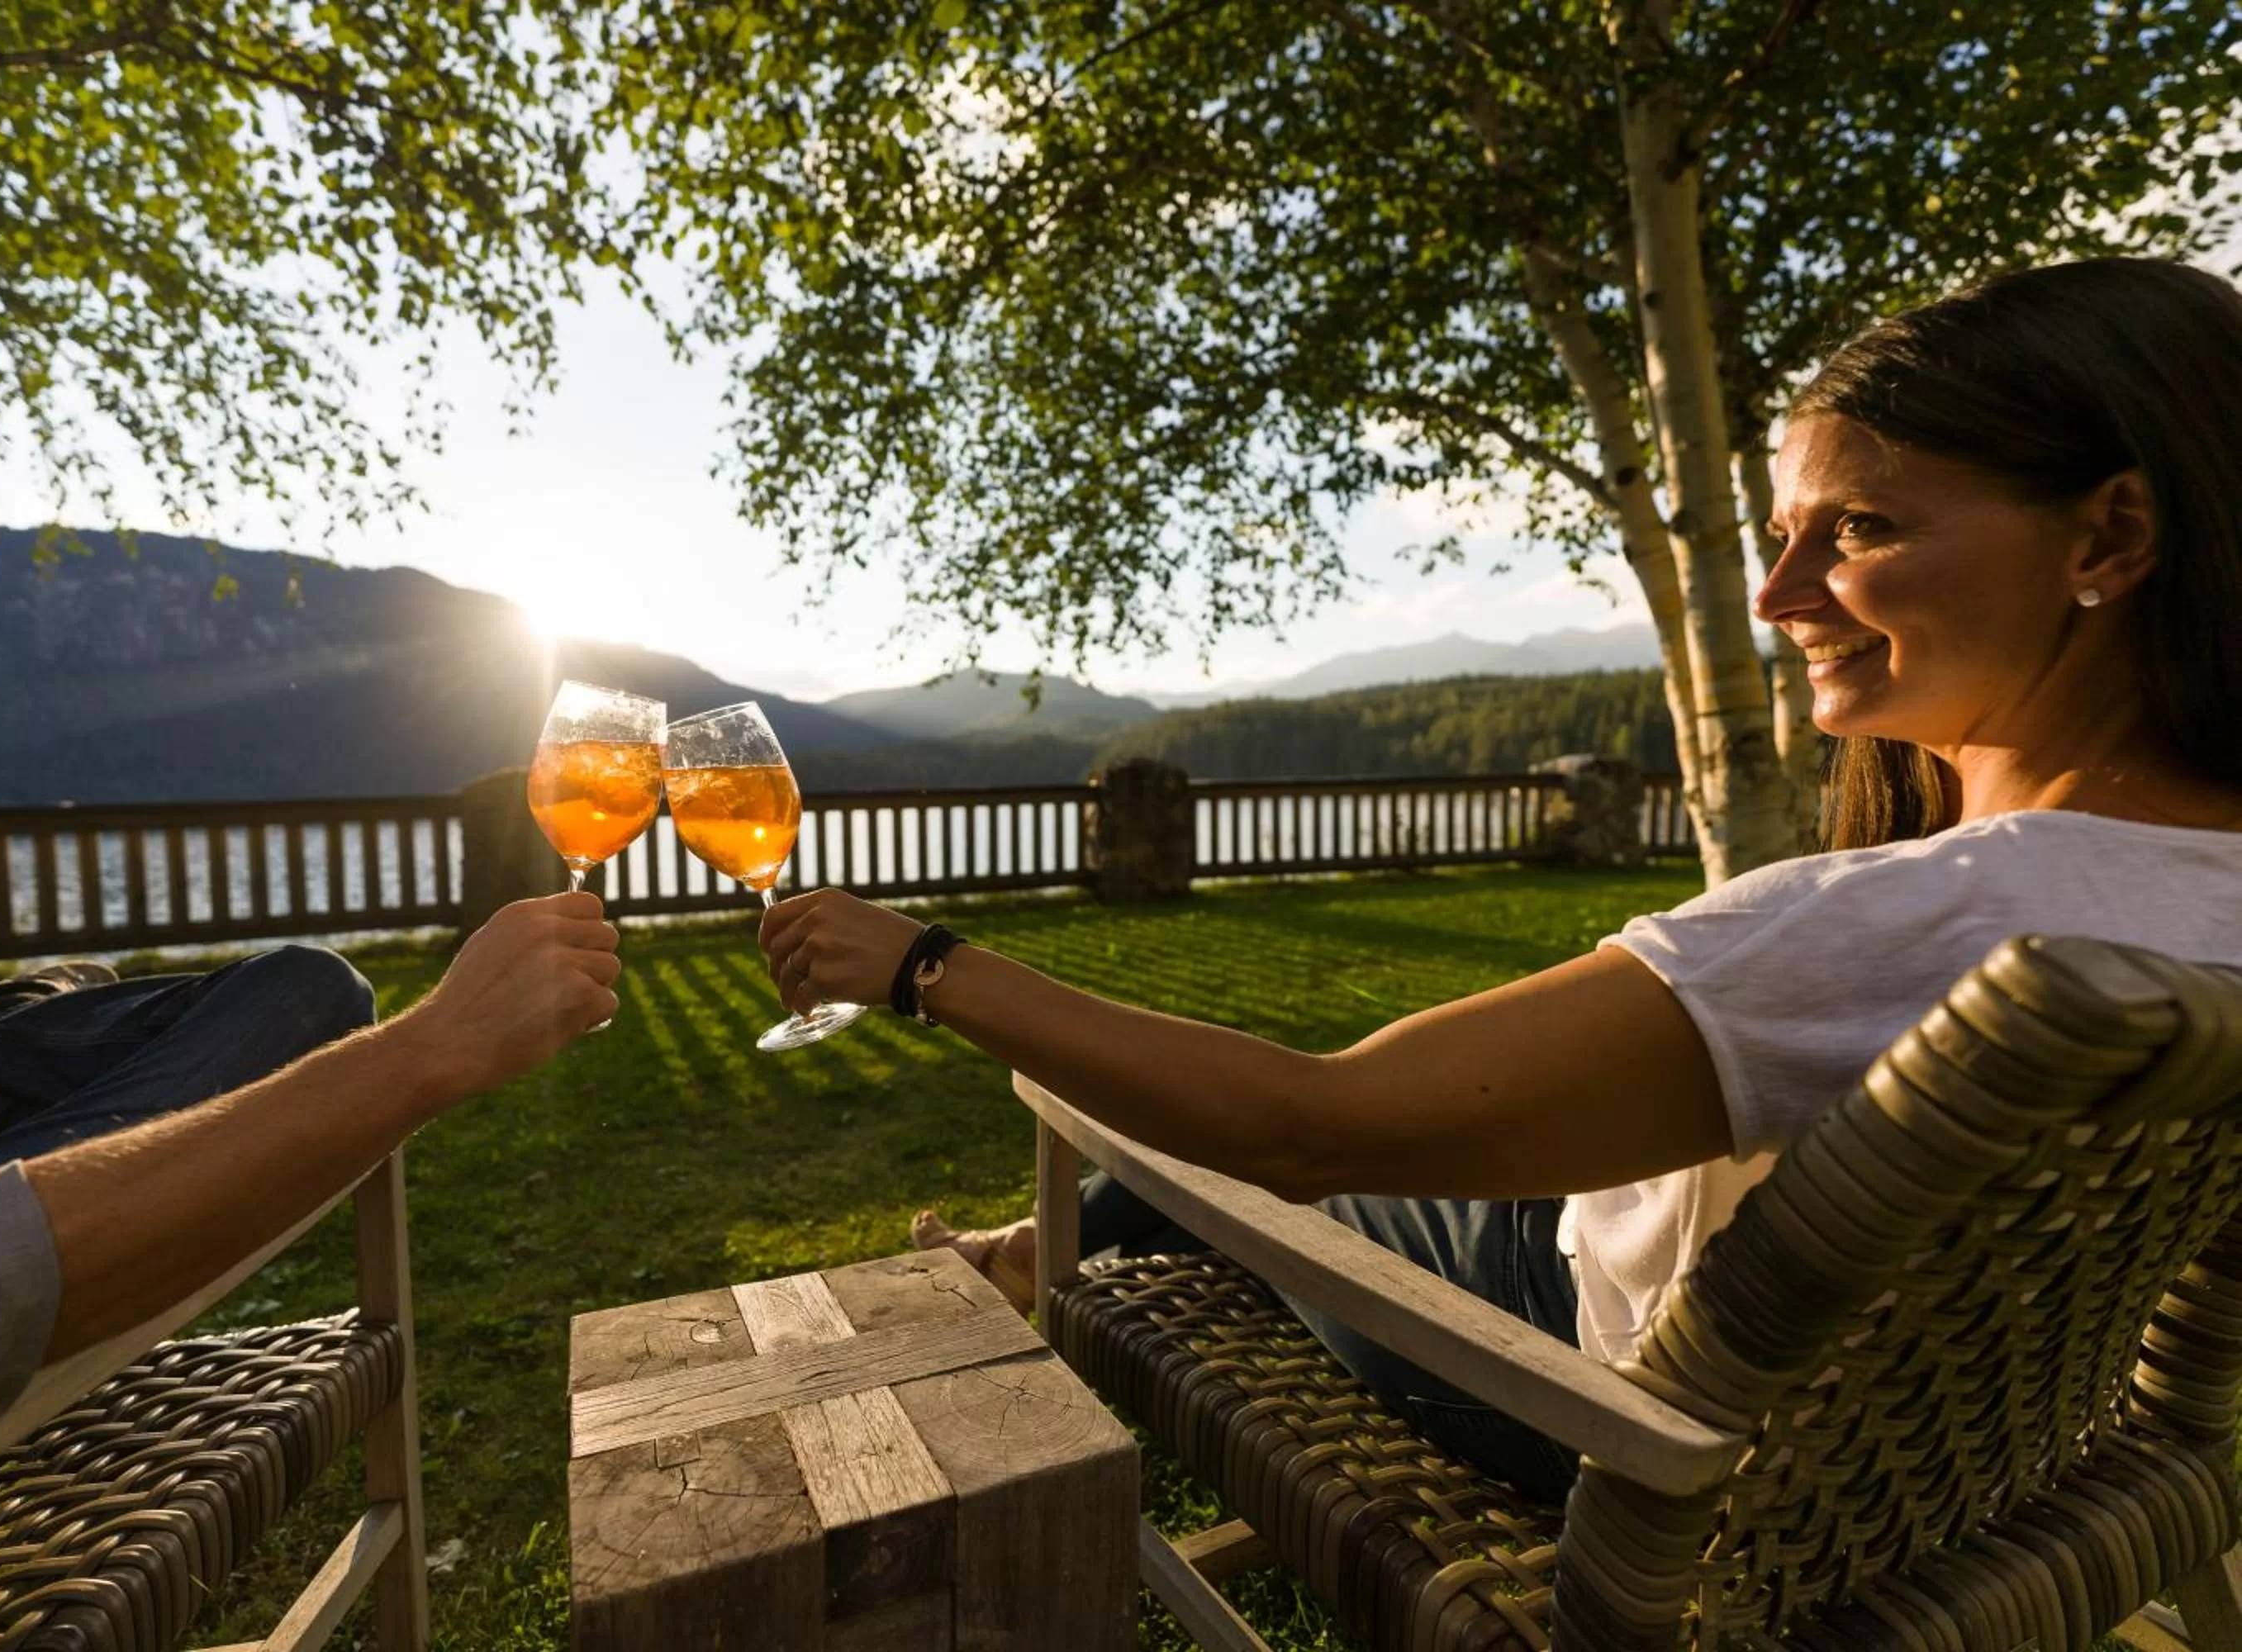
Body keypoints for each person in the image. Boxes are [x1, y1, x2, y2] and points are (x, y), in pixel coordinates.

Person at [753, 256, 2242, 1502]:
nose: (1784, 597)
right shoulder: (2187, 891)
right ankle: (1026, 1252)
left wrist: (924, 963)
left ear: (2107, 536)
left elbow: (1301, 1126)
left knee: (1233, 1151)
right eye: (1779, 536)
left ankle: (1029, 1257)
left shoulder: (1902, 924)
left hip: (1606, 1411)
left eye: (1859, 530)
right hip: (1954, 1454)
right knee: (1330, 1142)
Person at [0, 891, 620, 1486]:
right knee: (306, 1003)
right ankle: (4, 1025)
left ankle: (6, 1029)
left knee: (306, 980)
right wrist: (434, 1048)